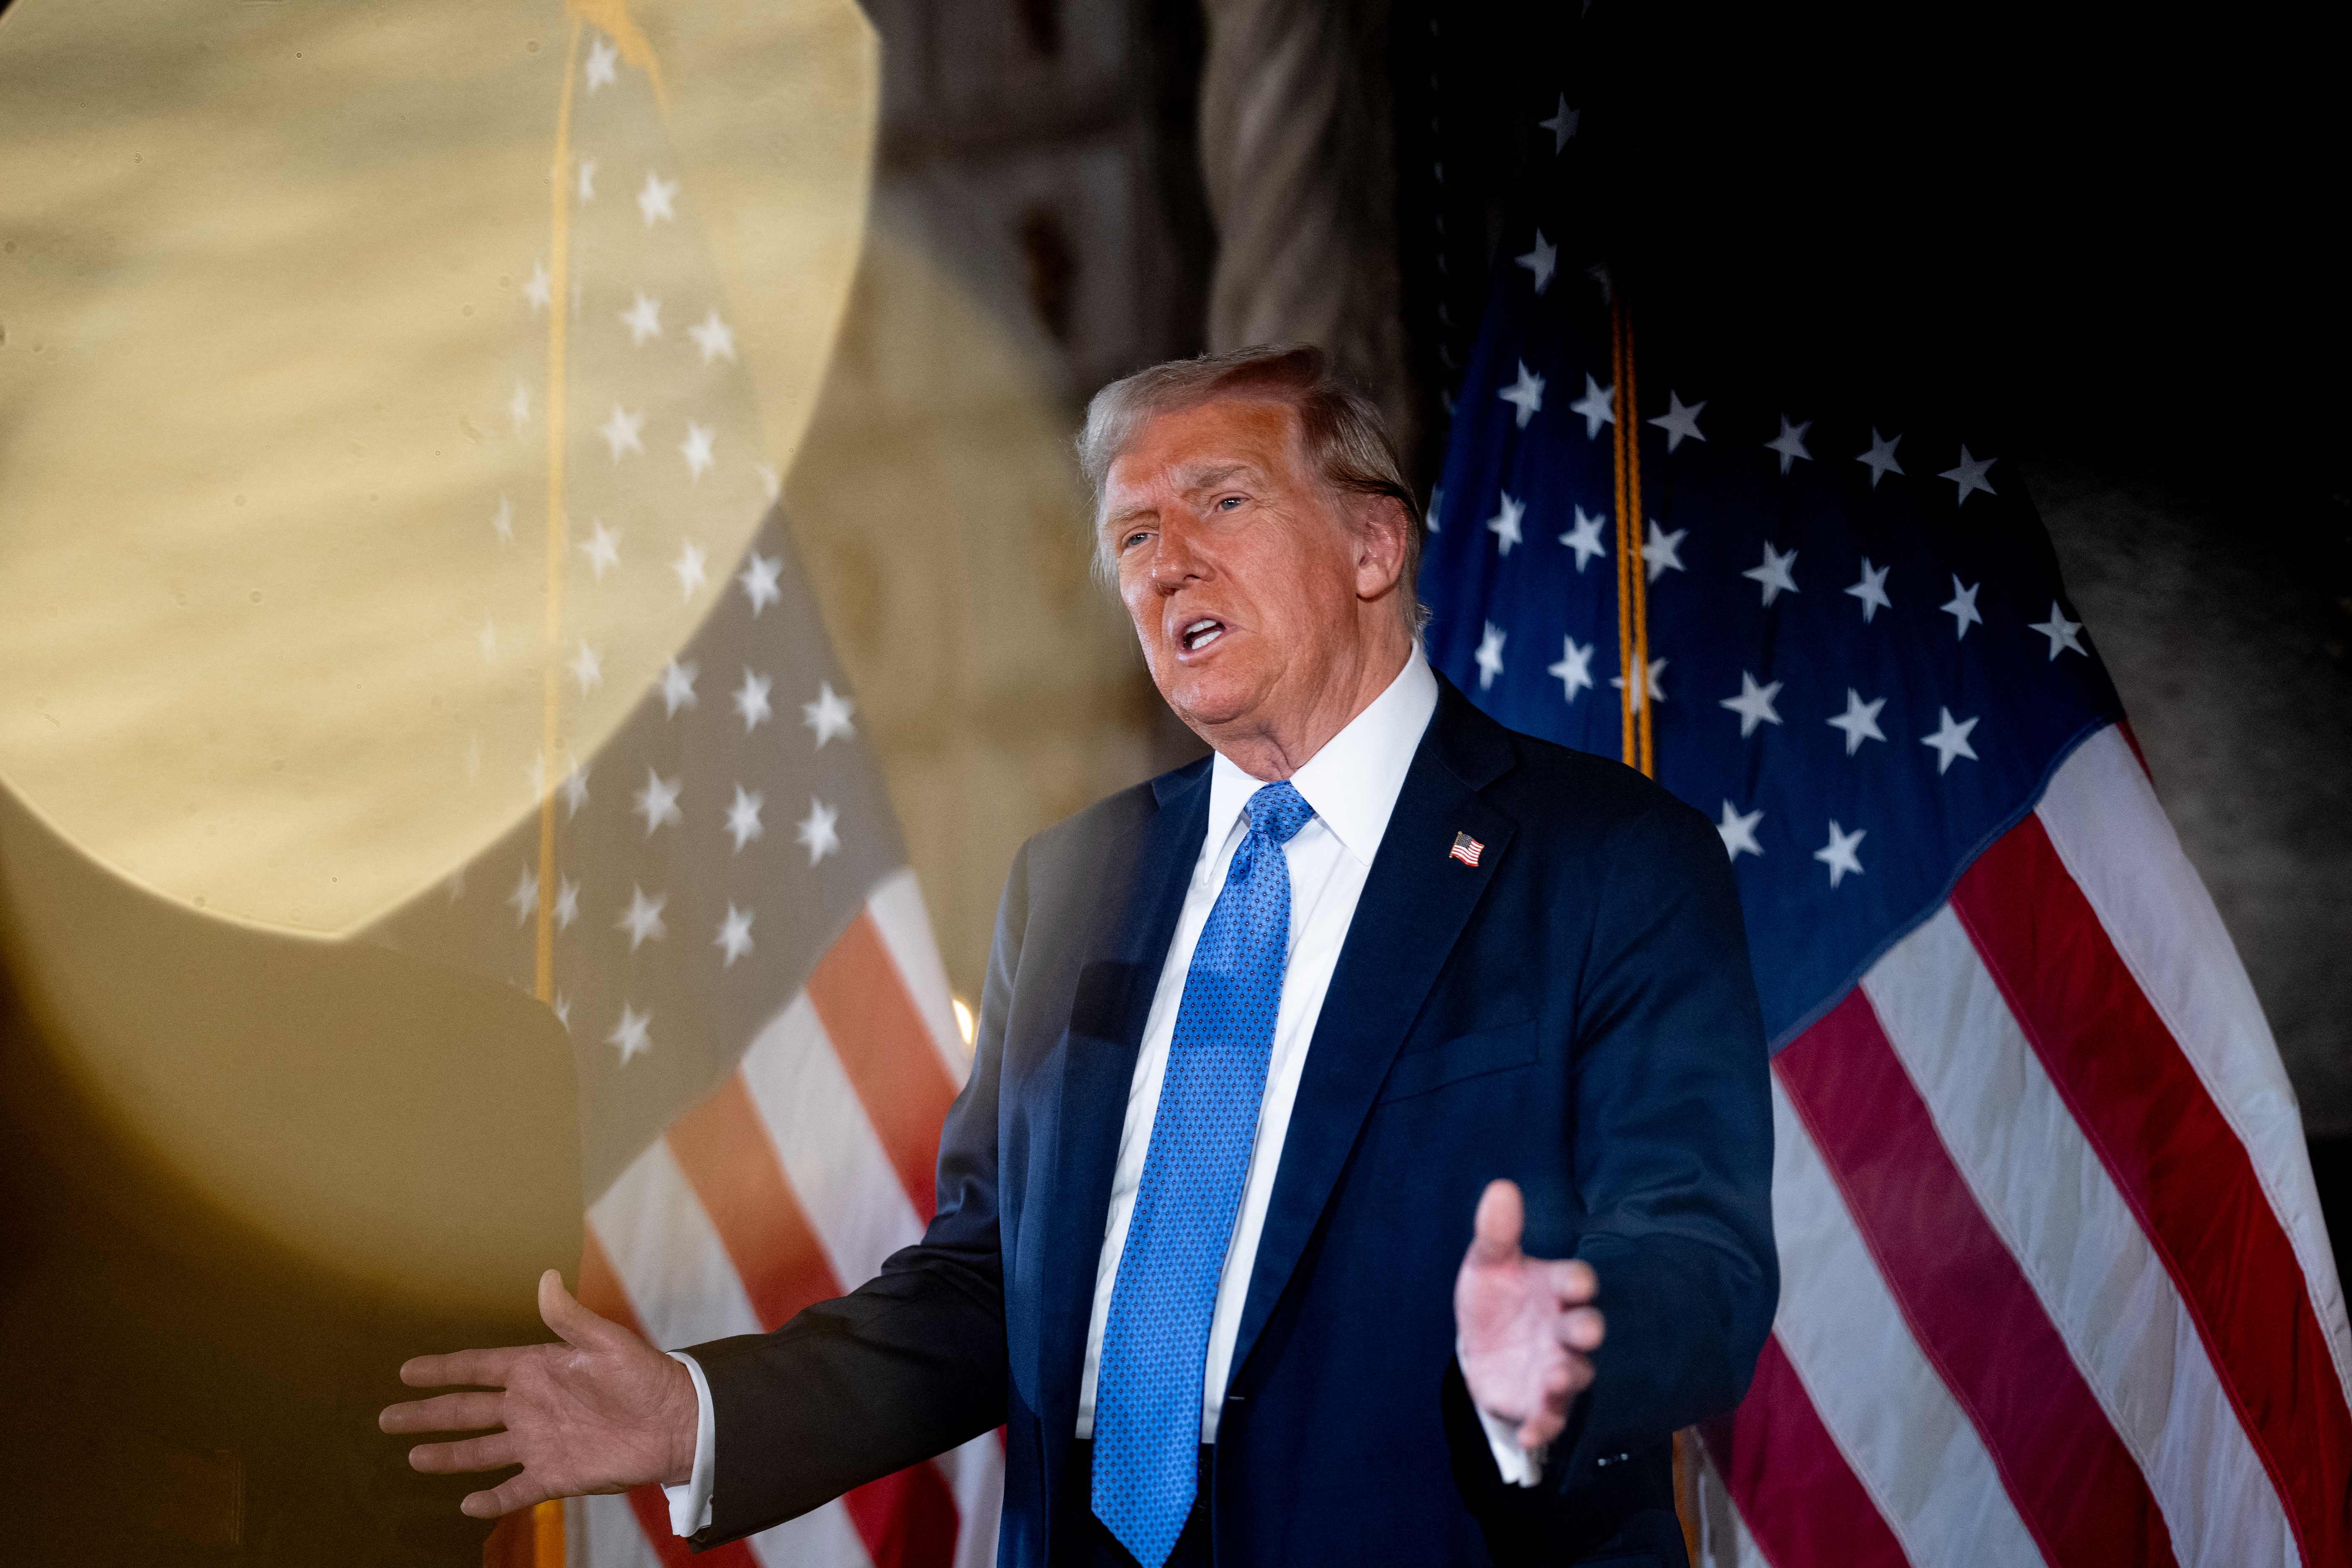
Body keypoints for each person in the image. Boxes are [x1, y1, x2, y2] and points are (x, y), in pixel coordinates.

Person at [382, 345, 1776, 1567]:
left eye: (1222, 502)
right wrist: (703, 1413)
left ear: (1372, 548)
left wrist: (1569, 1343)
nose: (1168, 560)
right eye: (1130, 538)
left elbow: (1701, 1257)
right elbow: (989, 1283)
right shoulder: (1074, 884)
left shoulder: (1608, 862)